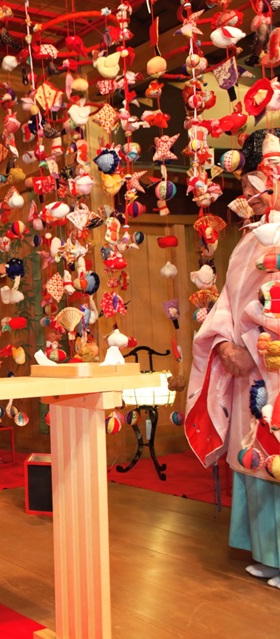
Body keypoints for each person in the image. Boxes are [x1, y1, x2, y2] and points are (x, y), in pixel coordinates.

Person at [187, 131, 280, 590]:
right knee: (253, 453)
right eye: (247, 191)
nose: (249, 199)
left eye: (256, 188)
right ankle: (268, 554)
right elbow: (228, 297)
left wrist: (255, 341)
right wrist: (225, 341)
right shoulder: (248, 241)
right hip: (249, 366)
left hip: (272, 359)